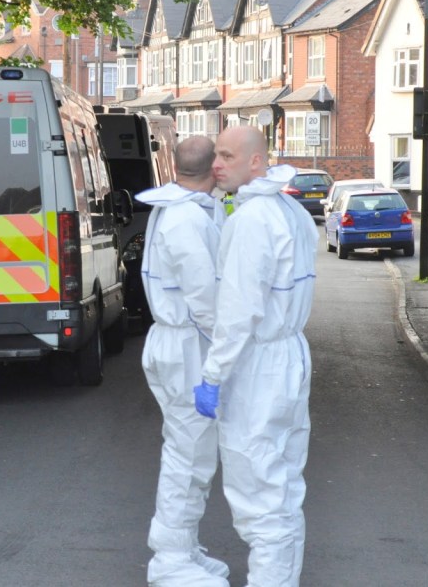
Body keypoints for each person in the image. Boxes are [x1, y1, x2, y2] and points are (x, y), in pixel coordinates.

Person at [193, 125, 318, 587]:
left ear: (257, 162)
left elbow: (239, 311)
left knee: (257, 495)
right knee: (283, 489)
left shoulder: (251, 221)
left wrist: (213, 374)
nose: (216, 165)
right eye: (216, 155)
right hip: (289, 356)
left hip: (259, 366)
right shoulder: (291, 210)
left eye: (227, 156)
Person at [137, 135, 230, 587]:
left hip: (177, 340)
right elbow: (205, 299)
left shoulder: (175, 208)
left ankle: (183, 548)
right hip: (188, 345)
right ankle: (171, 559)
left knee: (191, 451)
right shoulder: (187, 219)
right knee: (189, 455)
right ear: (213, 169)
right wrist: (230, 353)